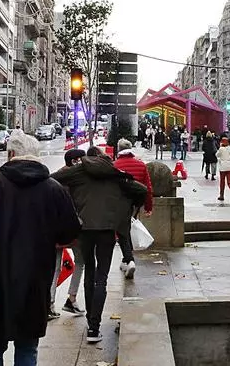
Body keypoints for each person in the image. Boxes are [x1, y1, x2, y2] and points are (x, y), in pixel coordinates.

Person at [0, 130, 81, 365]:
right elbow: (70, 232)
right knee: (27, 348)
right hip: (35, 281)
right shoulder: (53, 188)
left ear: (11, 154)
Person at [52, 146, 143, 343]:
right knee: (101, 278)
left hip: (84, 230)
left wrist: (71, 208)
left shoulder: (78, 172)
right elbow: (140, 190)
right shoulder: (114, 172)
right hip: (107, 230)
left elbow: (53, 180)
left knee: (89, 272)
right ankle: (94, 328)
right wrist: (126, 212)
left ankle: (90, 322)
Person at [49, 149, 87, 319]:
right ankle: (72, 298)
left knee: (55, 267)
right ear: (75, 161)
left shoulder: (54, 179)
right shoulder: (76, 179)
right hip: (73, 228)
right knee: (80, 261)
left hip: (54, 229)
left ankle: (49, 303)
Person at [113, 138, 154, 279]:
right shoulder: (141, 165)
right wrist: (148, 207)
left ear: (119, 149)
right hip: (135, 204)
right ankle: (127, 260)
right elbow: (148, 188)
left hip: (119, 203)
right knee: (127, 229)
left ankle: (129, 260)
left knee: (123, 232)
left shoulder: (114, 165)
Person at [216, 137, 230, 204]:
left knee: (222, 182)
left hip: (223, 167)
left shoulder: (221, 149)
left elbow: (217, 155)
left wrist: (220, 147)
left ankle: (221, 196)